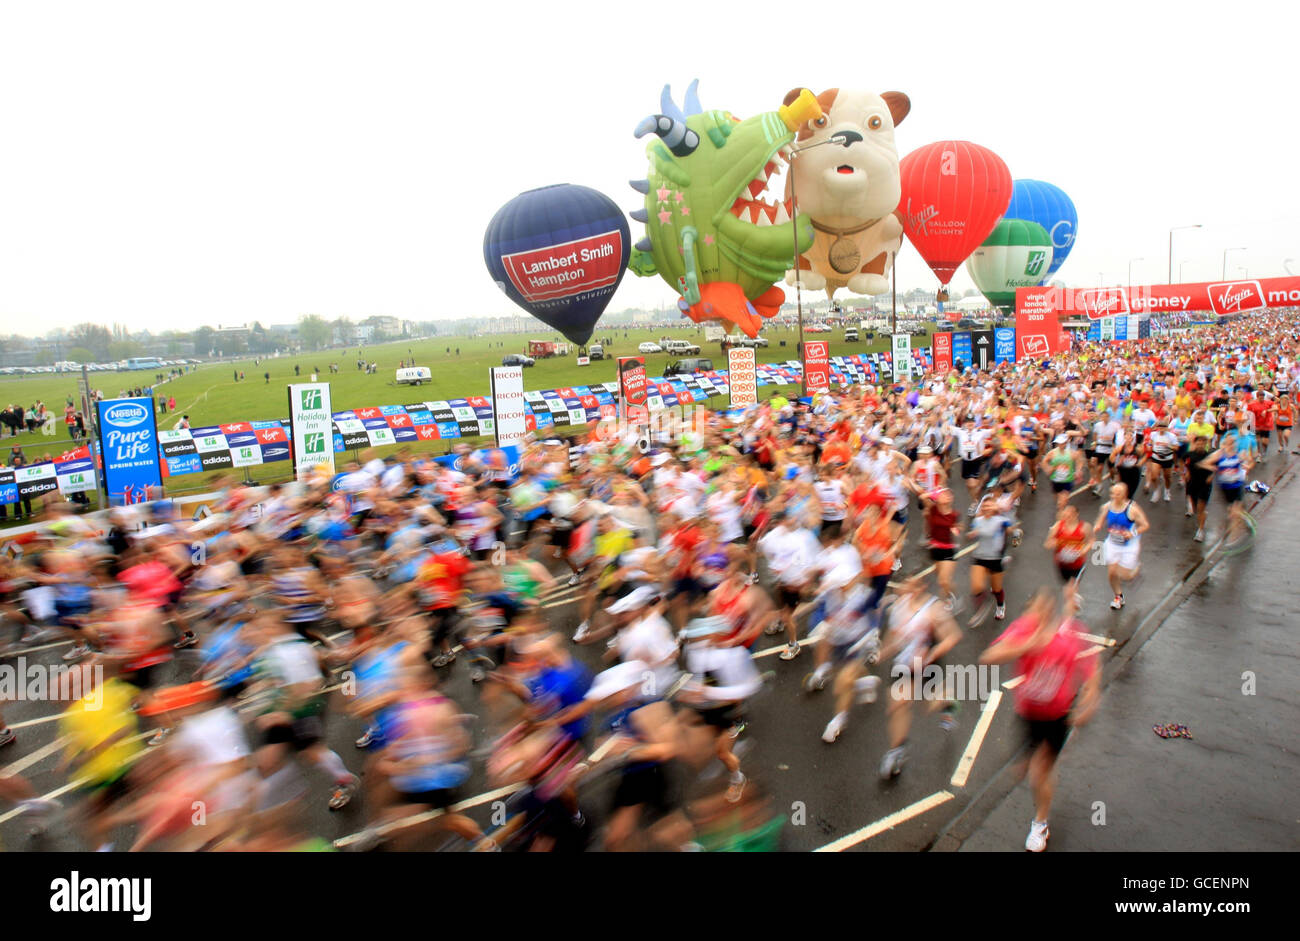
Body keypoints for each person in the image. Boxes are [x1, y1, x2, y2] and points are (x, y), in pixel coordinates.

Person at [980, 587, 1100, 852]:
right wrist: (1025, 645)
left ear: (1050, 612)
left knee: (1038, 773)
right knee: (1024, 767)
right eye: (1034, 609)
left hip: (1057, 716)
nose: (1038, 614)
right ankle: (1033, 758)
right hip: (1028, 715)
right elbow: (988, 657)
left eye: (1044, 608)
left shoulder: (1067, 637)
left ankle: (1040, 824)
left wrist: (1089, 701)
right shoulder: (1023, 630)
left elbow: (1092, 671)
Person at [877, 575, 963, 779]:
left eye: (914, 585)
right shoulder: (899, 606)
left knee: (929, 705)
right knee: (898, 706)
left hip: (928, 665)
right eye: (907, 584)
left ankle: (948, 703)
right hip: (903, 665)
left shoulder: (934, 609)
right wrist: (883, 652)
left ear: (922, 586)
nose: (909, 588)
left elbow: (953, 636)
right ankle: (897, 750)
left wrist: (932, 653)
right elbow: (893, 634)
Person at [1093, 482, 1149, 610]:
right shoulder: (1107, 507)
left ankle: (1135, 571)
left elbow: (1145, 525)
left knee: (1125, 576)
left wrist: (1132, 533)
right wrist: (1097, 526)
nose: (1115, 496)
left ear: (1124, 495)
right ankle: (1118, 597)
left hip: (1129, 546)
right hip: (1112, 543)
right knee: (1112, 572)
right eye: (1113, 493)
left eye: (1118, 494)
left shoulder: (1132, 509)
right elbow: (1100, 519)